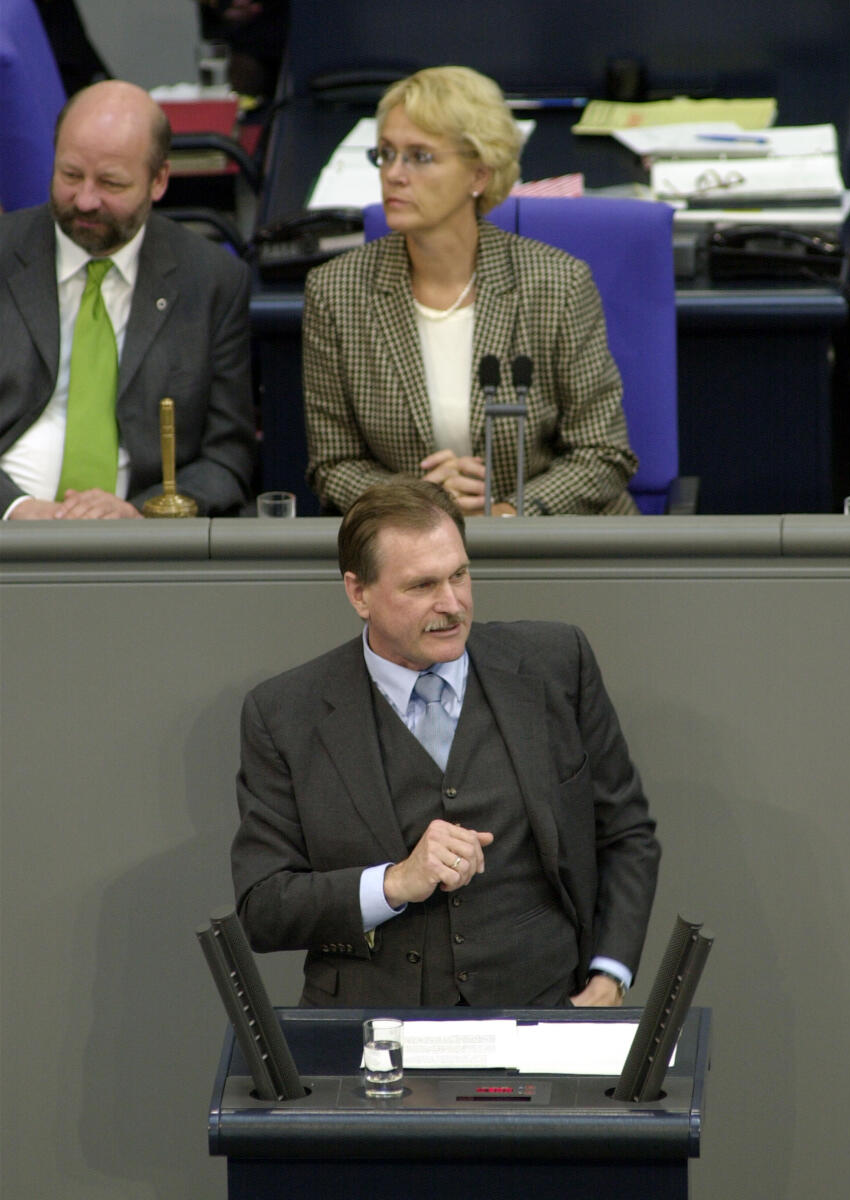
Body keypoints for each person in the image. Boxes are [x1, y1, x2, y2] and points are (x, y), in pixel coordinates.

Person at [232, 477, 659, 1007]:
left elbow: (625, 833)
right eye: (422, 586)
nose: (452, 603)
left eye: (460, 575)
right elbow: (264, 906)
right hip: (375, 1033)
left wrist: (609, 973)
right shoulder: (284, 714)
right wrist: (394, 883)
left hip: (548, 1013)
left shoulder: (556, 663)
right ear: (358, 593)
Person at [303, 65, 639, 518]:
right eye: (386, 154)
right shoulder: (336, 293)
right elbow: (333, 464)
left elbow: (603, 452)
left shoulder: (556, 285)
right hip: (409, 542)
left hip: (548, 543)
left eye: (420, 157)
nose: (394, 175)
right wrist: (419, 502)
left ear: (479, 174)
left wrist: (507, 512)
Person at [0, 79, 256, 519]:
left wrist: (141, 515)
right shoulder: (5, 253)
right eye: (70, 175)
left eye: (111, 183)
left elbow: (227, 460)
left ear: (158, 181)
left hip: (140, 547)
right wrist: (15, 508)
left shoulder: (212, 280)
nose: (84, 200)